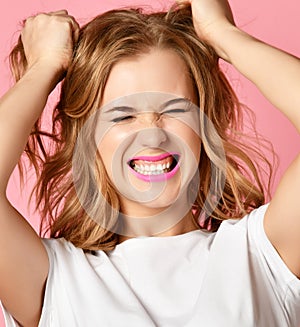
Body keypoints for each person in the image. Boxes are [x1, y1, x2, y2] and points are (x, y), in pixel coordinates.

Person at [0, 0, 299, 326]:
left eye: (173, 110)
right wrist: (44, 66)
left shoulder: (262, 256)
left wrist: (223, 35)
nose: (152, 136)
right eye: (124, 115)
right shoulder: (52, 278)